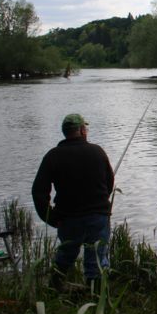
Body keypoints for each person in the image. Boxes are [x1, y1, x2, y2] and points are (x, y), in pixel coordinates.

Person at [32, 113, 115, 290]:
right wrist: (101, 203)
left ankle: (53, 289)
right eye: (86, 128)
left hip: (67, 218)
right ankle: (96, 297)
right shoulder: (98, 152)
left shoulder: (52, 156)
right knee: (97, 259)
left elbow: (38, 192)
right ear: (83, 131)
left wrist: (51, 217)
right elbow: (109, 182)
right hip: (98, 217)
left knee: (66, 255)